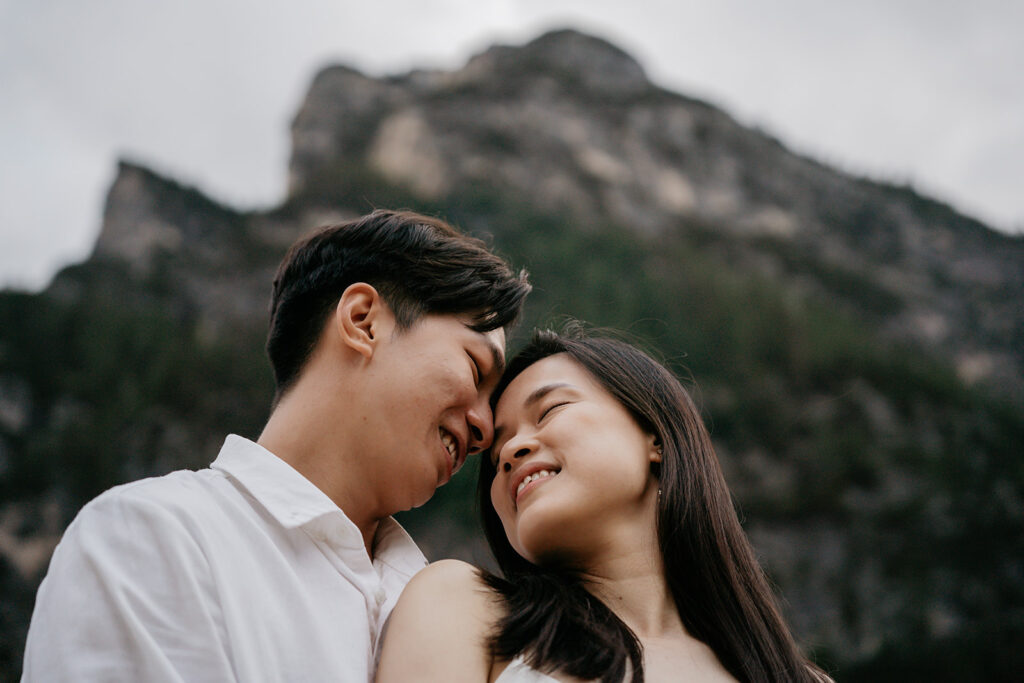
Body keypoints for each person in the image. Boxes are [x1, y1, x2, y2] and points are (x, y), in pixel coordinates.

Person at [22, 210, 531, 682]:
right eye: (475, 368)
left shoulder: (462, 612)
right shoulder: (155, 536)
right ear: (363, 320)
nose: (486, 431)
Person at [376, 327, 832, 683]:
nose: (512, 451)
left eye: (550, 409)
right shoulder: (466, 607)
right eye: (496, 458)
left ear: (654, 436)